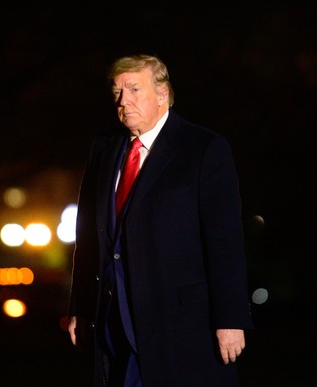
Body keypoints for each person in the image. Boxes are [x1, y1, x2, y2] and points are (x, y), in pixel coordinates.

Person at [67, 54, 253, 387]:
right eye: (117, 92)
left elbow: (224, 242)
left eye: (134, 89)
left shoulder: (203, 148)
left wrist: (230, 318)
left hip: (179, 325)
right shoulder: (105, 147)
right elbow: (89, 236)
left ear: (163, 95)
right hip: (112, 320)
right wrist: (80, 307)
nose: (123, 101)